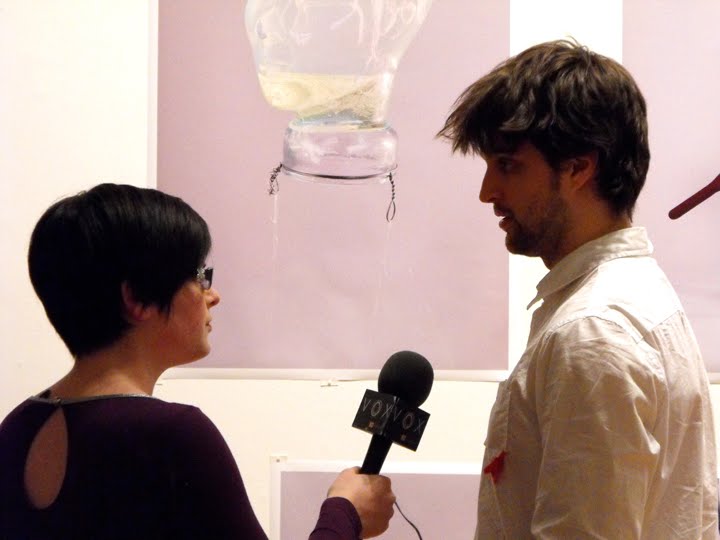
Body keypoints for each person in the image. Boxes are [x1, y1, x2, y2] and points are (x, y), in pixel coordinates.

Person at [0, 183, 395, 539]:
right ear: (137, 298)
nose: (212, 295)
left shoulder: (17, 427)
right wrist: (346, 512)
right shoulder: (172, 436)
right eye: (199, 276)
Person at [438, 39, 718, 538]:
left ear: (577, 168)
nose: (487, 193)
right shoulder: (628, 299)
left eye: (507, 165)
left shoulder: (593, 332)